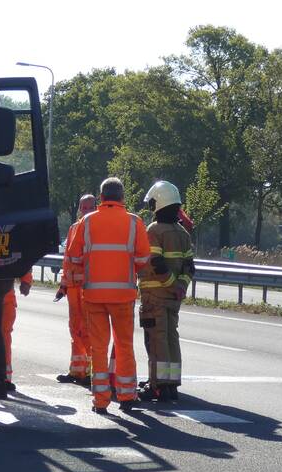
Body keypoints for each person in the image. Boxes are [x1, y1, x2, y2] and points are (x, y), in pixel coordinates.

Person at [66, 177, 151, 414]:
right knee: (124, 346)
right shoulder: (135, 222)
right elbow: (143, 259)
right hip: (123, 295)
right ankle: (126, 396)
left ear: (101, 198)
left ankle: (100, 400)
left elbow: (73, 257)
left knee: (98, 348)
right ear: (122, 197)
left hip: (93, 295)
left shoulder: (86, 222)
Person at [138, 180, 195, 401]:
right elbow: (190, 266)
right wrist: (180, 286)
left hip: (155, 296)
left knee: (156, 340)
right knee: (172, 338)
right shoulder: (182, 233)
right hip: (173, 298)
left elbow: (155, 262)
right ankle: (171, 384)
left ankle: (158, 386)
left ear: (159, 203)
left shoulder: (154, 230)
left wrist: (171, 283)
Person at [55, 194, 98, 386]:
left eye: (90, 207)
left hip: (88, 288)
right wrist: (63, 285)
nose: (86, 211)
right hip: (73, 288)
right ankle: (77, 371)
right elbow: (67, 261)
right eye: (84, 207)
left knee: (88, 330)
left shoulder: (97, 229)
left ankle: (90, 372)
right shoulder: (73, 229)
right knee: (75, 329)